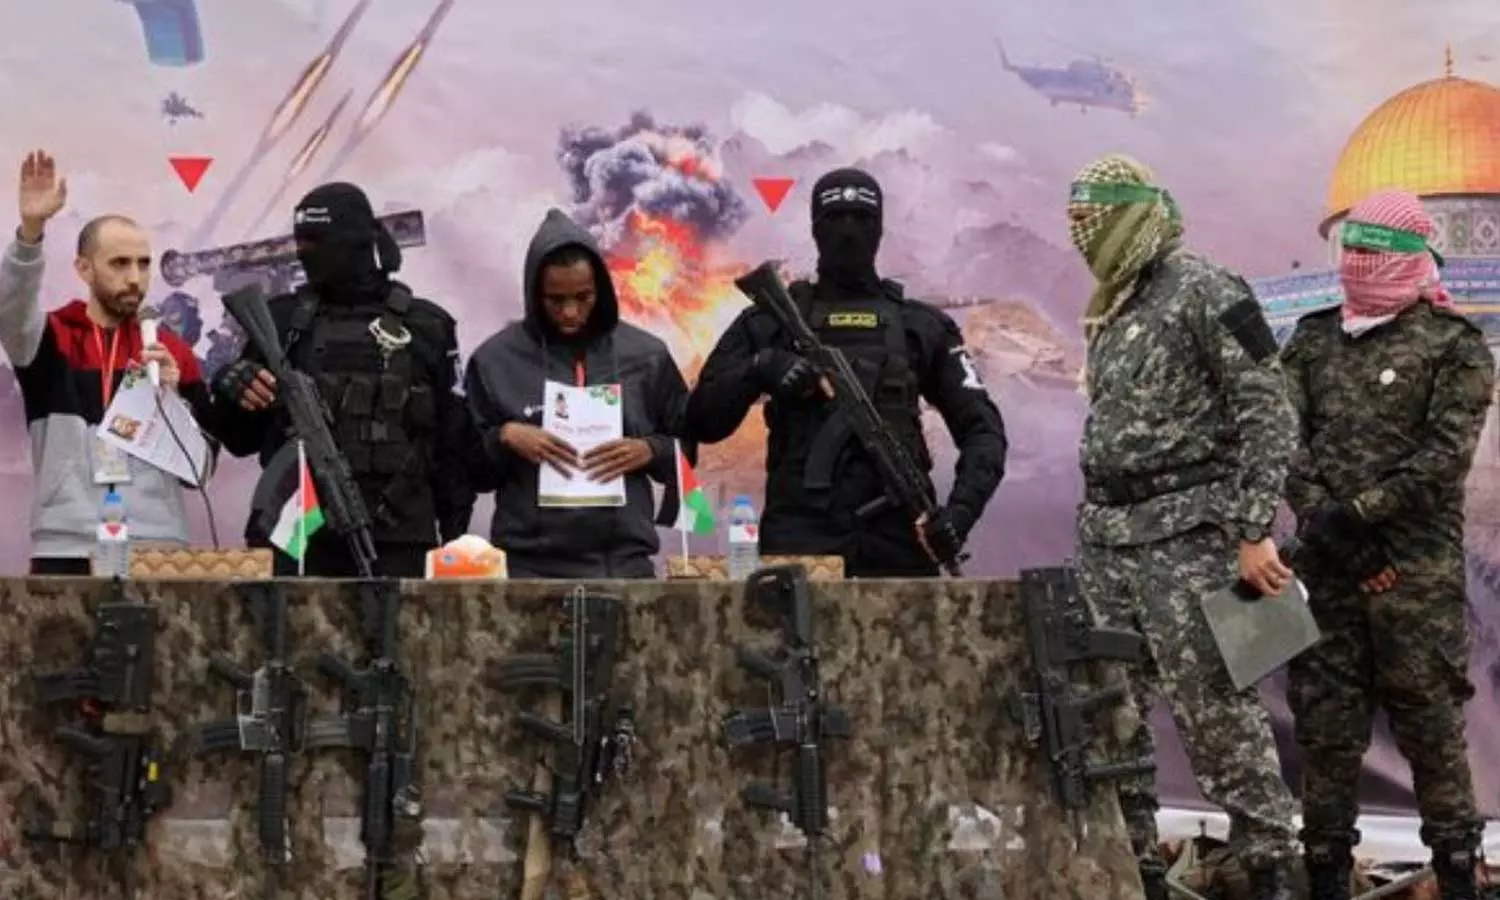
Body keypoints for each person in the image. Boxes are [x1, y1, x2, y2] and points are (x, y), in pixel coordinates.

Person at [1067, 153, 1300, 900]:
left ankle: (1268, 868)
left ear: (1136, 214)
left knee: (1218, 713)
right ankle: (1135, 870)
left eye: (1094, 217)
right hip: (1109, 541)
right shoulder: (1113, 305)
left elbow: (1269, 409)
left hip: (1191, 539)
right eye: (1075, 219)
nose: (1082, 232)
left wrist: (1254, 528)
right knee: (1111, 714)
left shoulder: (1209, 288)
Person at [1281, 189, 1491, 900]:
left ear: (1409, 258)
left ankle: (1458, 873)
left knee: (1430, 727)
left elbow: (1441, 460)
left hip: (1413, 580)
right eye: (1353, 249)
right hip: (1330, 576)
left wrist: (1357, 519)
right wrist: (1336, 534)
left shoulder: (1454, 347)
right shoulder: (1312, 340)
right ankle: (1326, 874)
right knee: (1326, 730)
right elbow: (1285, 442)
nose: (1359, 262)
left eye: (1374, 251)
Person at [683, 167, 1006, 576]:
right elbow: (701, 420)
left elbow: (984, 432)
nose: (849, 231)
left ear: (880, 228)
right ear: (815, 228)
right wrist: (761, 368)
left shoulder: (922, 326)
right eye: (835, 218)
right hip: (799, 547)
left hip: (899, 545)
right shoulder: (768, 322)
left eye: (862, 218)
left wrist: (958, 516)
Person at [210, 182, 475, 577]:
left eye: (319, 243)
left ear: (358, 242)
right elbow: (240, 438)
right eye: (302, 243)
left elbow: (454, 447)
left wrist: (454, 541)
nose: (306, 254)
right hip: (296, 538)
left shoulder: (426, 326)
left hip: (399, 539)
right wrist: (229, 382)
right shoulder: (281, 322)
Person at [0, 150, 217, 574]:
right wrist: (29, 236)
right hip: (68, 545)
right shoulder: (51, 338)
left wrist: (174, 400)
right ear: (84, 268)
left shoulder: (171, 352)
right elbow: (9, 309)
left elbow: (201, 472)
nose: (135, 278)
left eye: (143, 264)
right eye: (119, 263)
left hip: (159, 548)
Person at [463, 208, 690, 578]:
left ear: (601, 290)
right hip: (529, 569)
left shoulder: (646, 356)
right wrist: (504, 437)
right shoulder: (495, 360)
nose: (570, 312)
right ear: (534, 294)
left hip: (622, 566)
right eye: (555, 300)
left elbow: (688, 445)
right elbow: (467, 470)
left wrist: (652, 450)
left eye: (583, 297)